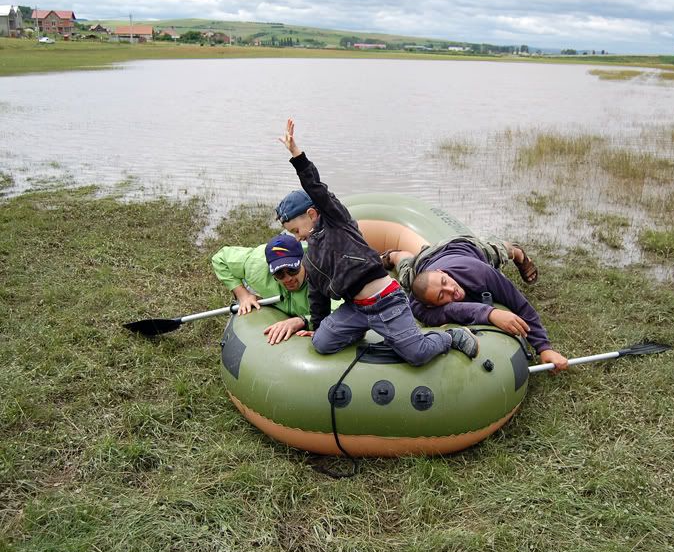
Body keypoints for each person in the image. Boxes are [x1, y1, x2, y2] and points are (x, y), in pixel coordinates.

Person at [275, 118, 479, 365]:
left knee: (416, 354)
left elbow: (316, 189)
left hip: (387, 301)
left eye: (296, 229)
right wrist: (318, 327)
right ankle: (356, 331)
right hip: (356, 310)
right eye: (292, 234)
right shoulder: (311, 260)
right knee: (321, 343)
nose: (297, 237)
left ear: (312, 214)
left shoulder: (336, 222)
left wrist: (297, 156)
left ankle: (449, 337)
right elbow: (318, 297)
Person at [382, 237, 569, 372]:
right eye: (441, 296)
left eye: (445, 282)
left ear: (443, 273)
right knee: (406, 271)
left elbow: (520, 305)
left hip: (463, 248)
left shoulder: (480, 273)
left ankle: (518, 253)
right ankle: (394, 255)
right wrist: (489, 313)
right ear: (430, 305)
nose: (451, 290)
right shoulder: (418, 305)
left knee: (498, 251)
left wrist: (544, 348)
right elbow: (448, 311)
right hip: (423, 262)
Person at [211, 233, 314, 344]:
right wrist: (242, 295)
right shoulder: (256, 266)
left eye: (292, 270)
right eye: (279, 274)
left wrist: (302, 321)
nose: (288, 278)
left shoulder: (323, 273)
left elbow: (334, 313)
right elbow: (220, 258)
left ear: (302, 261)